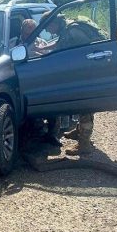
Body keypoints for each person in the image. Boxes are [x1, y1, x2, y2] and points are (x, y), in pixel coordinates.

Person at [38, 12, 108, 155]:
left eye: (46, 28)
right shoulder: (68, 29)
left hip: (89, 74)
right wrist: (43, 49)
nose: (46, 31)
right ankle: (79, 131)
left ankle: (84, 144)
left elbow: (83, 53)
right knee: (83, 106)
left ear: (53, 23)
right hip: (86, 72)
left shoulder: (73, 31)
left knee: (85, 107)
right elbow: (59, 43)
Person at [20, 19, 61, 147]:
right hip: (22, 83)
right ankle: (29, 137)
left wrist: (39, 54)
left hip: (42, 82)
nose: (30, 36)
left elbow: (51, 62)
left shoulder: (42, 43)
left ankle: (52, 135)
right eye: (27, 33)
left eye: (33, 32)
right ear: (22, 31)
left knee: (53, 107)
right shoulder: (13, 44)